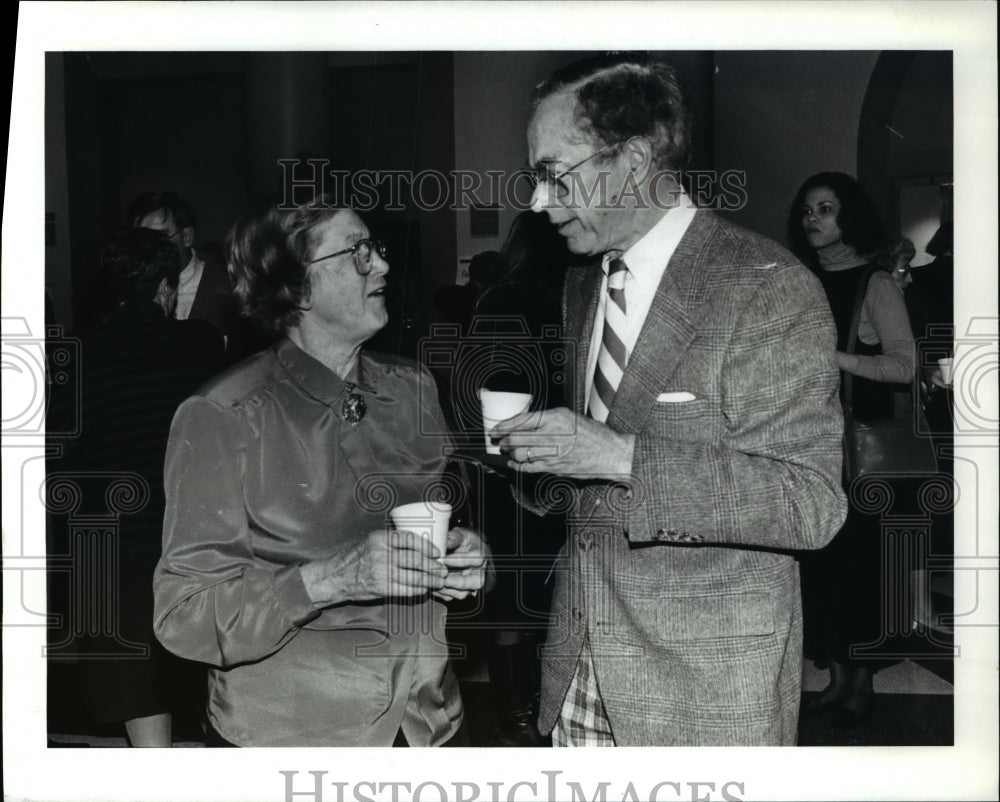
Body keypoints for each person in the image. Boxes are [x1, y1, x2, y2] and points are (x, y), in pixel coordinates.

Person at [491, 53, 847, 746]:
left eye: (553, 174)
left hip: (703, 689)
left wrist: (617, 455)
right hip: (579, 671)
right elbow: (597, 484)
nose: (538, 202)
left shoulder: (767, 286)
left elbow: (811, 504)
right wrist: (538, 467)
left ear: (633, 159)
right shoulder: (584, 282)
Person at [152, 197, 487, 747]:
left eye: (375, 247)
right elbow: (184, 615)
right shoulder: (223, 415)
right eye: (357, 252)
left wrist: (467, 559)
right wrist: (331, 578)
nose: (381, 264)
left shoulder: (413, 390)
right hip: (295, 739)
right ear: (296, 287)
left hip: (429, 724)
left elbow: (436, 532)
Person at [69, 227, 225, 746]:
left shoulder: (81, 355)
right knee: (207, 663)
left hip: (109, 535)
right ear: (165, 286)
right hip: (188, 531)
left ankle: (153, 773)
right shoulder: (201, 346)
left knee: (132, 679)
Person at [788, 171, 916, 726]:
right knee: (820, 568)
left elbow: (904, 365)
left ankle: (861, 681)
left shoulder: (876, 284)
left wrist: (837, 360)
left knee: (862, 568)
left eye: (826, 209)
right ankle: (838, 679)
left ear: (850, 217)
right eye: (807, 210)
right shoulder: (795, 279)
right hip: (807, 445)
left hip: (859, 452)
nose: (812, 219)